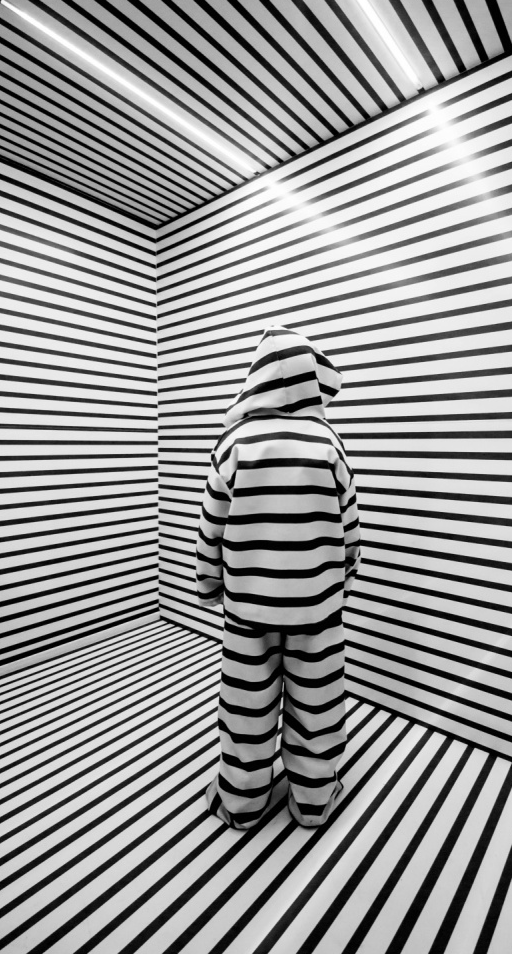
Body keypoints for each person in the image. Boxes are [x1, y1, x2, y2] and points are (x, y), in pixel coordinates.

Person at [196, 325, 360, 829]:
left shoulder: (233, 443)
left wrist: (208, 582)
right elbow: (349, 521)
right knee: (317, 703)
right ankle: (312, 800)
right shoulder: (329, 442)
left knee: (246, 706)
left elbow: (211, 523)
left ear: (257, 379)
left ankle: (242, 801)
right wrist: (345, 575)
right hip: (317, 610)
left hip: (248, 610)